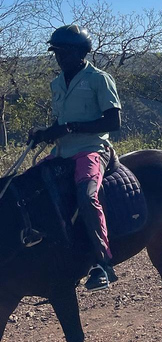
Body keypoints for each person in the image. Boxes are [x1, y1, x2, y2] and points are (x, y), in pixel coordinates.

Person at [29, 24, 122, 291]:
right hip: (62, 151)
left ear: (81, 52)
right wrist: (44, 133)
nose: (59, 57)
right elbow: (61, 120)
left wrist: (71, 127)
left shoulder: (99, 79)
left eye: (65, 52)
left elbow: (113, 121)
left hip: (92, 149)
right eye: (56, 52)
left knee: (86, 195)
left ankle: (102, 263)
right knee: (28, 185)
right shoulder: (56, 83)